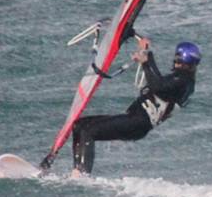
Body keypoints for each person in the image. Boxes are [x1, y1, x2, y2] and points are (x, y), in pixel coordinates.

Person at [69, 37, 198, 175]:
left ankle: (82, 174)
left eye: (179, 60)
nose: (176, 63)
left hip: (137, 123)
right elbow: (159, 81)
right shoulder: (181, 80)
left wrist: (146, 62)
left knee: (88, 131)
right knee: (79, 126)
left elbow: (157, 86)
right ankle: (77, 170)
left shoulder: (183, 82)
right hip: (135, 121)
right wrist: (147, 54)